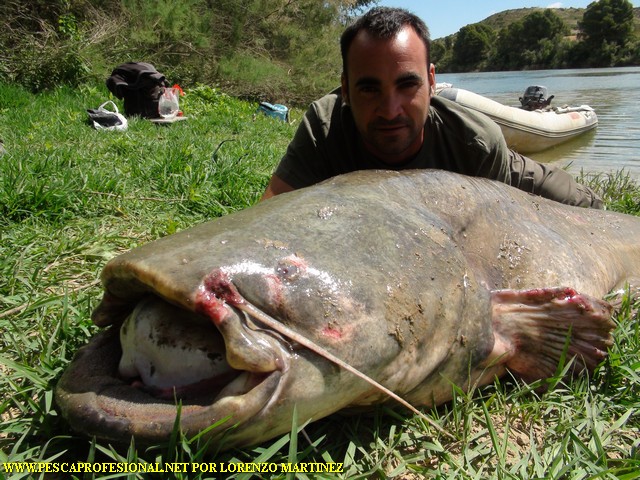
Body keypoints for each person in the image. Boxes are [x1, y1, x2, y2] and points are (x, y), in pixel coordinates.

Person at [261, 7, 603, 209]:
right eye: (369, 88)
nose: (390, 109)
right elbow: (268, 215)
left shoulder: (476, 141)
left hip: (507, 171)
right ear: (346, 89)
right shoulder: (324, 126)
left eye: (407, 85)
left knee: (586, 208)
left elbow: (503, 234)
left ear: (431, 82)